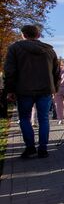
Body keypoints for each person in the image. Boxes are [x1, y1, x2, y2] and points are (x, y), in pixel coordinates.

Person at [3, 25, 60, 158]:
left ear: (23, 34)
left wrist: (9, 90)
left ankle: (30, 147)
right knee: (44, 119)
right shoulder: (49, 50)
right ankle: (43, 148)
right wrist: (55, 88)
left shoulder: (15, 48)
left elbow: (9, 71)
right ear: (38, 35)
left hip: (24, 89)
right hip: (45, 89)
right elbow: (56, 72)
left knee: (24, 118)